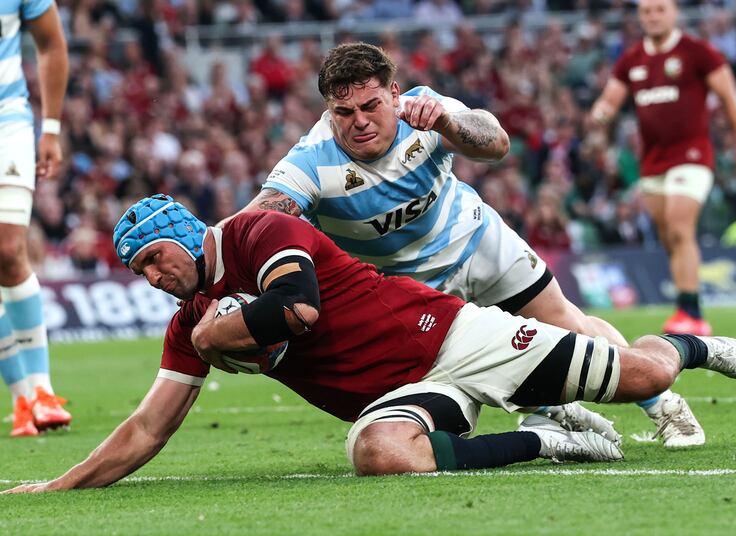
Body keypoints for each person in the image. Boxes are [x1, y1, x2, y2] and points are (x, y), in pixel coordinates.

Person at [3, 195, 736, 492]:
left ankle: (688, 348)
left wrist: (221, 329)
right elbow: (147, 427)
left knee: (637, 378)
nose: (148, 280)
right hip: (400, 393)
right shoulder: (188, 322)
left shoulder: (259, 232)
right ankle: (547, 444)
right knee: (379, 455)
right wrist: (63, 486)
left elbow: (296, 310)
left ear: (175, 238)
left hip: (454, 337)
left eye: (149, 263)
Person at [235, 42, 701, 447]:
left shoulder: (425, 109)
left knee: (570, 327)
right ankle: (553, 410)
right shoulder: (311, 161)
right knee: (467, 378)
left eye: (371, 105)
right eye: (344, 113)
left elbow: (496, 144)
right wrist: (205, 250)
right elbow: (256, 221)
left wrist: (448, 123)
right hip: (414, 290)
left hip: (479, 241)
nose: (359, 122)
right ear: (327, 112)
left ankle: (662, 402)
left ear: (394, 94)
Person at [590, 0, 736, 446]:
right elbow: (610, 101)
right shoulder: (633, 60)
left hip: (693, 155)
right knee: (667, 233)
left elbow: (731, 101)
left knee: (681, 226)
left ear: (674, 13)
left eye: (659, 10)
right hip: (654, 163)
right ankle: (688, 303)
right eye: (646, 11)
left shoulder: (699, 53)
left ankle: (692, 315)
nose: (652, 17)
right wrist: (599, 118)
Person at [0, 0, 71, 436]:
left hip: (7, 124)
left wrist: (51, 128)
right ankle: (22, 396)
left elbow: (51, 44)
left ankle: (42, 391)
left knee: (8, 251)